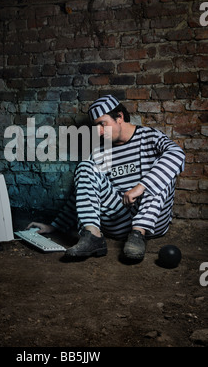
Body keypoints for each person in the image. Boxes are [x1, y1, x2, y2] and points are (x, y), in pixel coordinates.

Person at [27, 95, 186, 261]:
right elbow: (83, 193)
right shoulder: (100, 152)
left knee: (165, 171)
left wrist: (141, 187)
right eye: (96, 127)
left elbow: (177, 154)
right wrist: (55, 226)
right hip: (119, 220)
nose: (99, 132)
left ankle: (138, 233)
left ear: (119, 117)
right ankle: (93, 236)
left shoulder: (149, 137)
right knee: (85, 167)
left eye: (102, 124)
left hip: (152, 220)